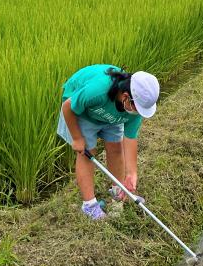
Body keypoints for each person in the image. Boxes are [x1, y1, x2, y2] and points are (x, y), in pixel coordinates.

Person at [58, 65, 160, 220]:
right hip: (84, 113)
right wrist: (78, 139)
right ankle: (90, 206)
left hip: (112, 115)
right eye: (137, 108)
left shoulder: (134, 109)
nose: (139, 113)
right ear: (126, 96)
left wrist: (132, 174)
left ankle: (117, 193)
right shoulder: (97, 91)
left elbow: (130, 138)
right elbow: (67, 108)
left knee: (116, 148)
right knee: (87, 153)